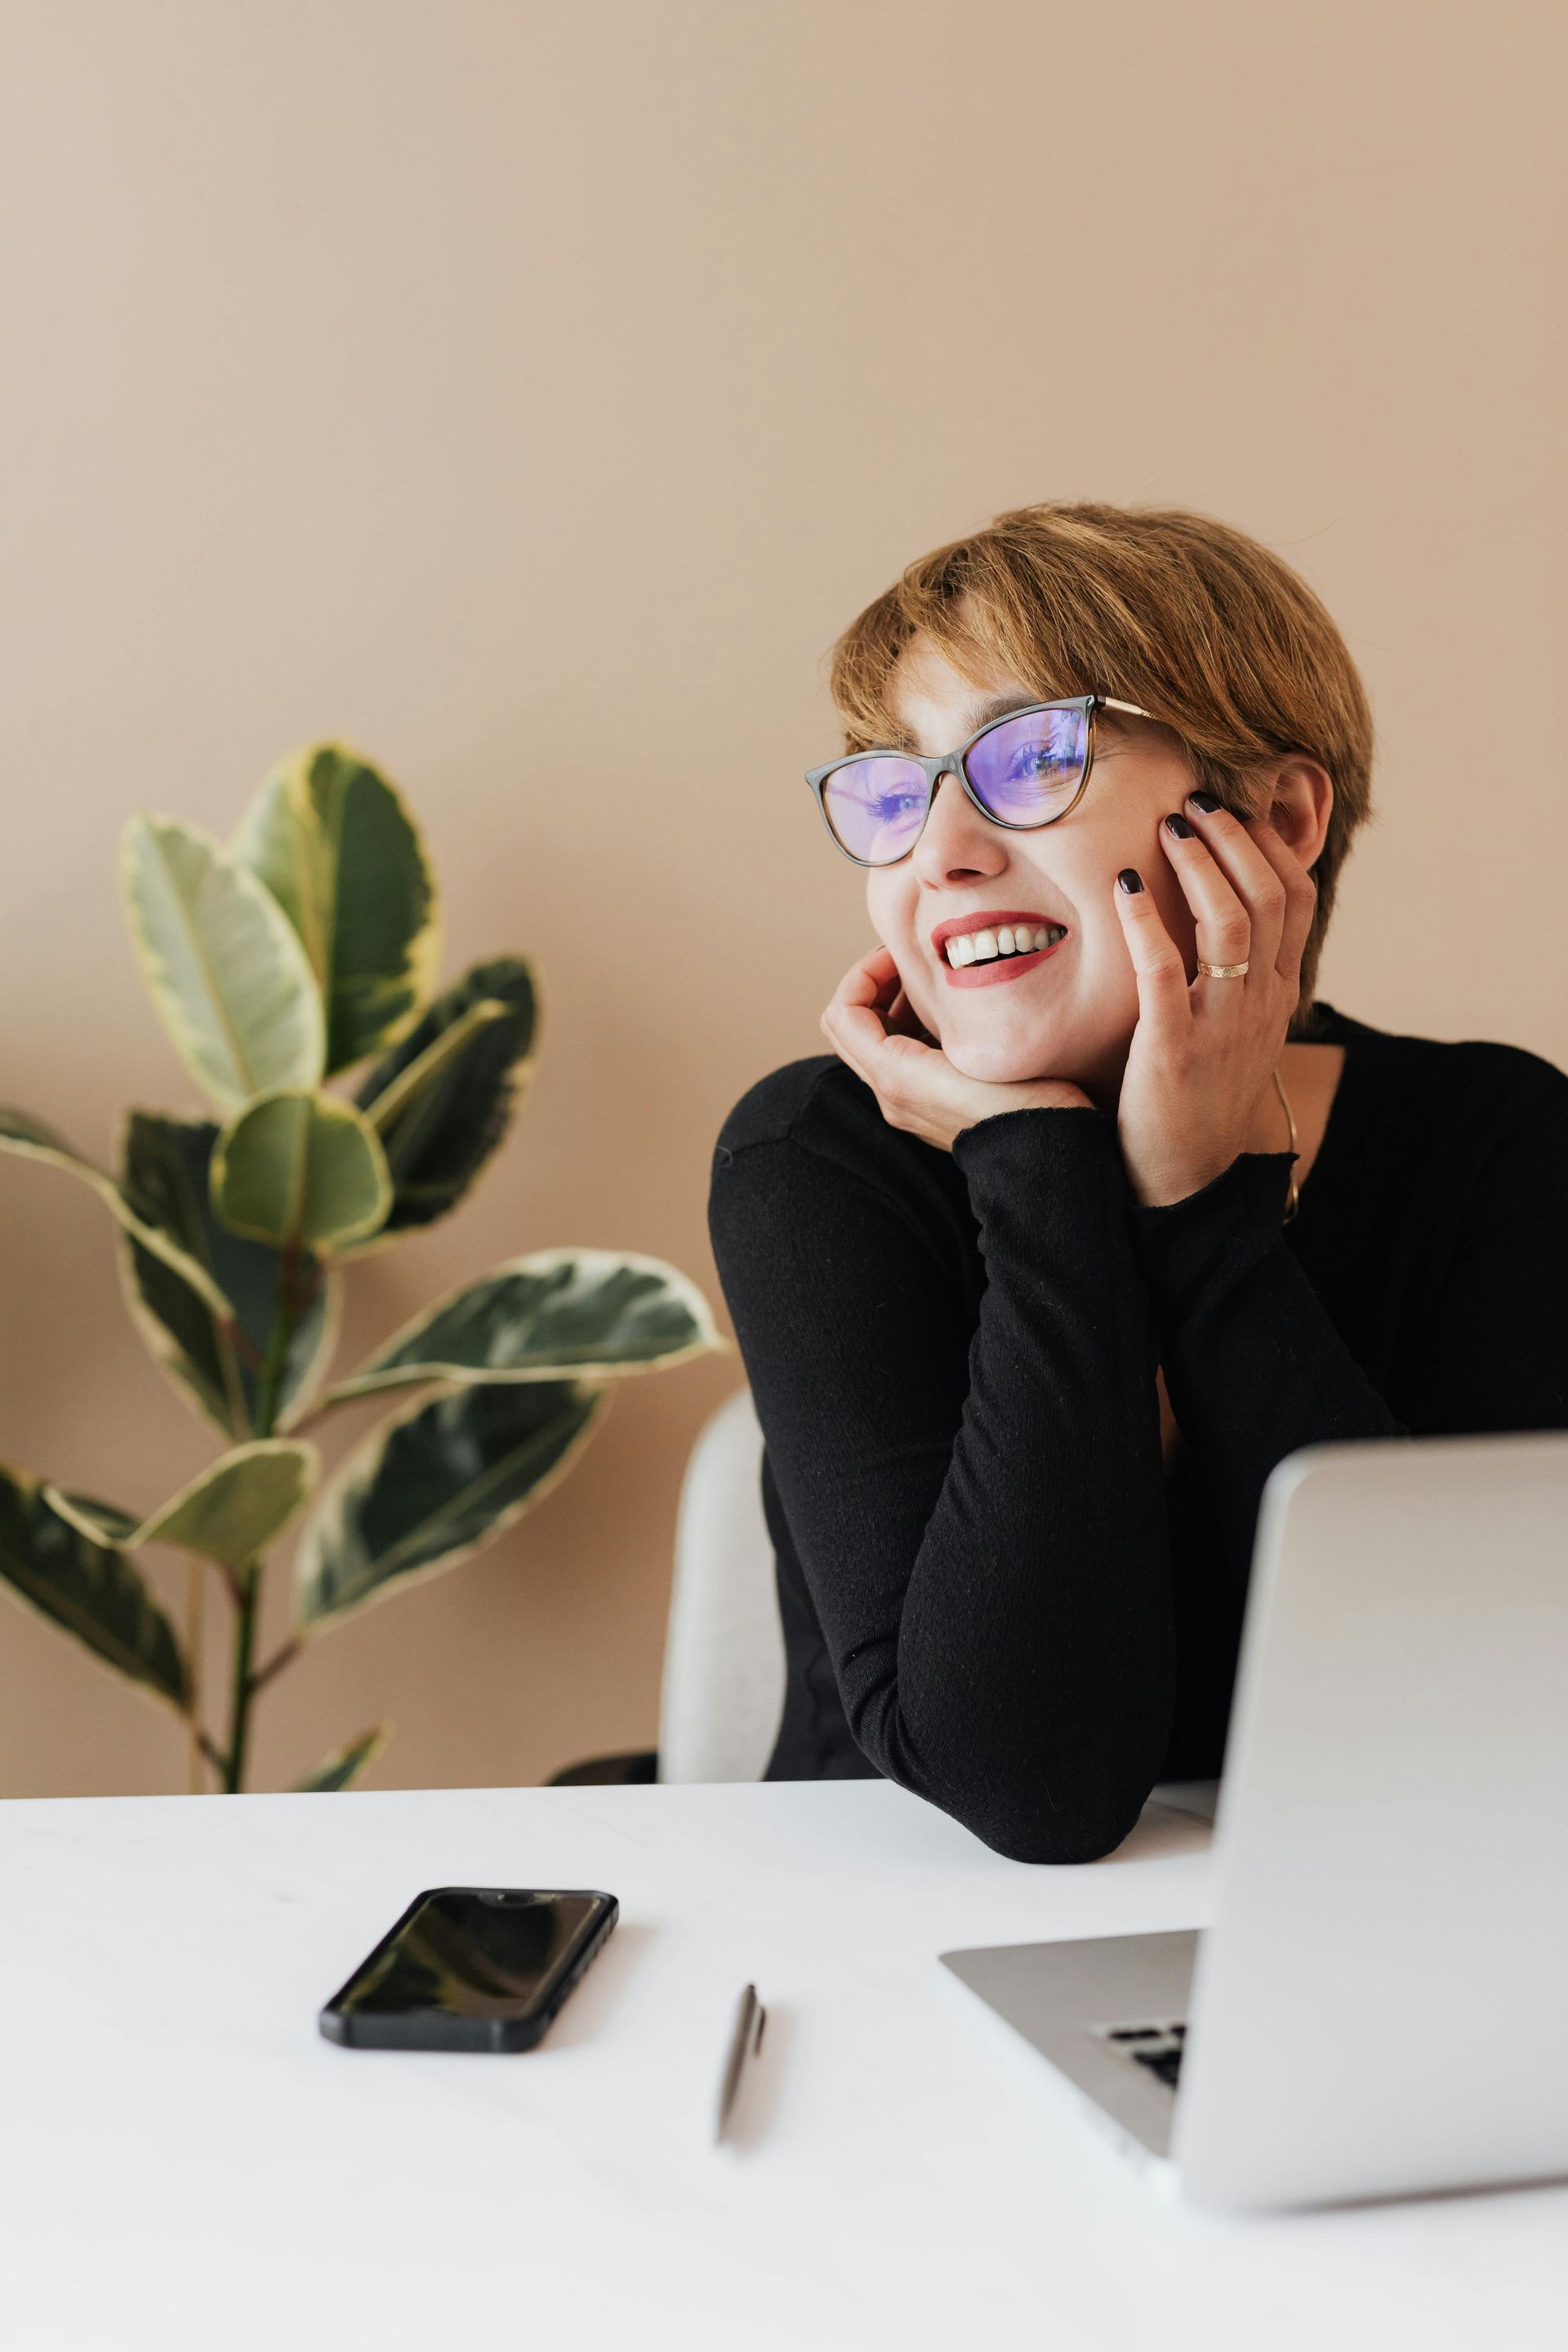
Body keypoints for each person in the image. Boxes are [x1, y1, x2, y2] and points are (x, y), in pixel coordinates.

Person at [706, 501, 1568, 1864]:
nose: (940, 855)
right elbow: (1033, 1786)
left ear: (1276, 818)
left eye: (1030, 756)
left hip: (1372, 1930)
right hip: (882, 1950)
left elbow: (1471, 1716)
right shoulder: (818, 1158)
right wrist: (1035, 1163)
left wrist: (1200, 1212)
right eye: (894, 788)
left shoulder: (1501, 1139)